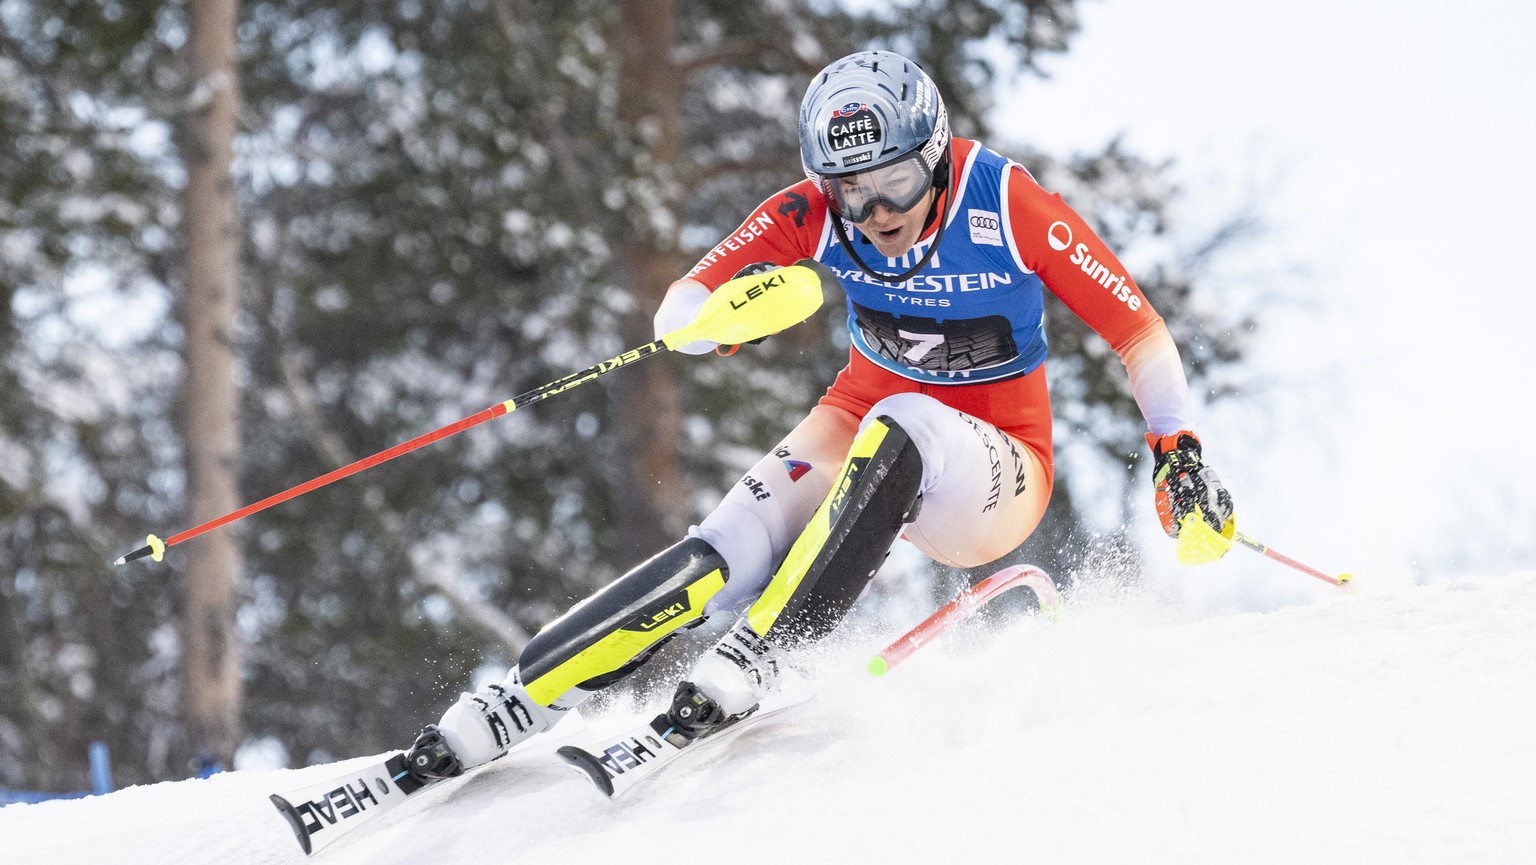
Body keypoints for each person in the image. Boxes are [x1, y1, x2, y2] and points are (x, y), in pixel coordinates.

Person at [396, 49, 1235, 784]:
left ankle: (757, 651)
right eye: (851, 193)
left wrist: (1179, 451)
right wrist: (709, 323)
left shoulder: (1006, 202)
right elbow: (683, 300)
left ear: (936, 159)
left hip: (996, 468)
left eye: (896, 183)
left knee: (906, 417)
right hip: (862, 419)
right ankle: (514, 699)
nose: (876, 215)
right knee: (727, 543)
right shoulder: (810, 212)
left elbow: (1137, 327)